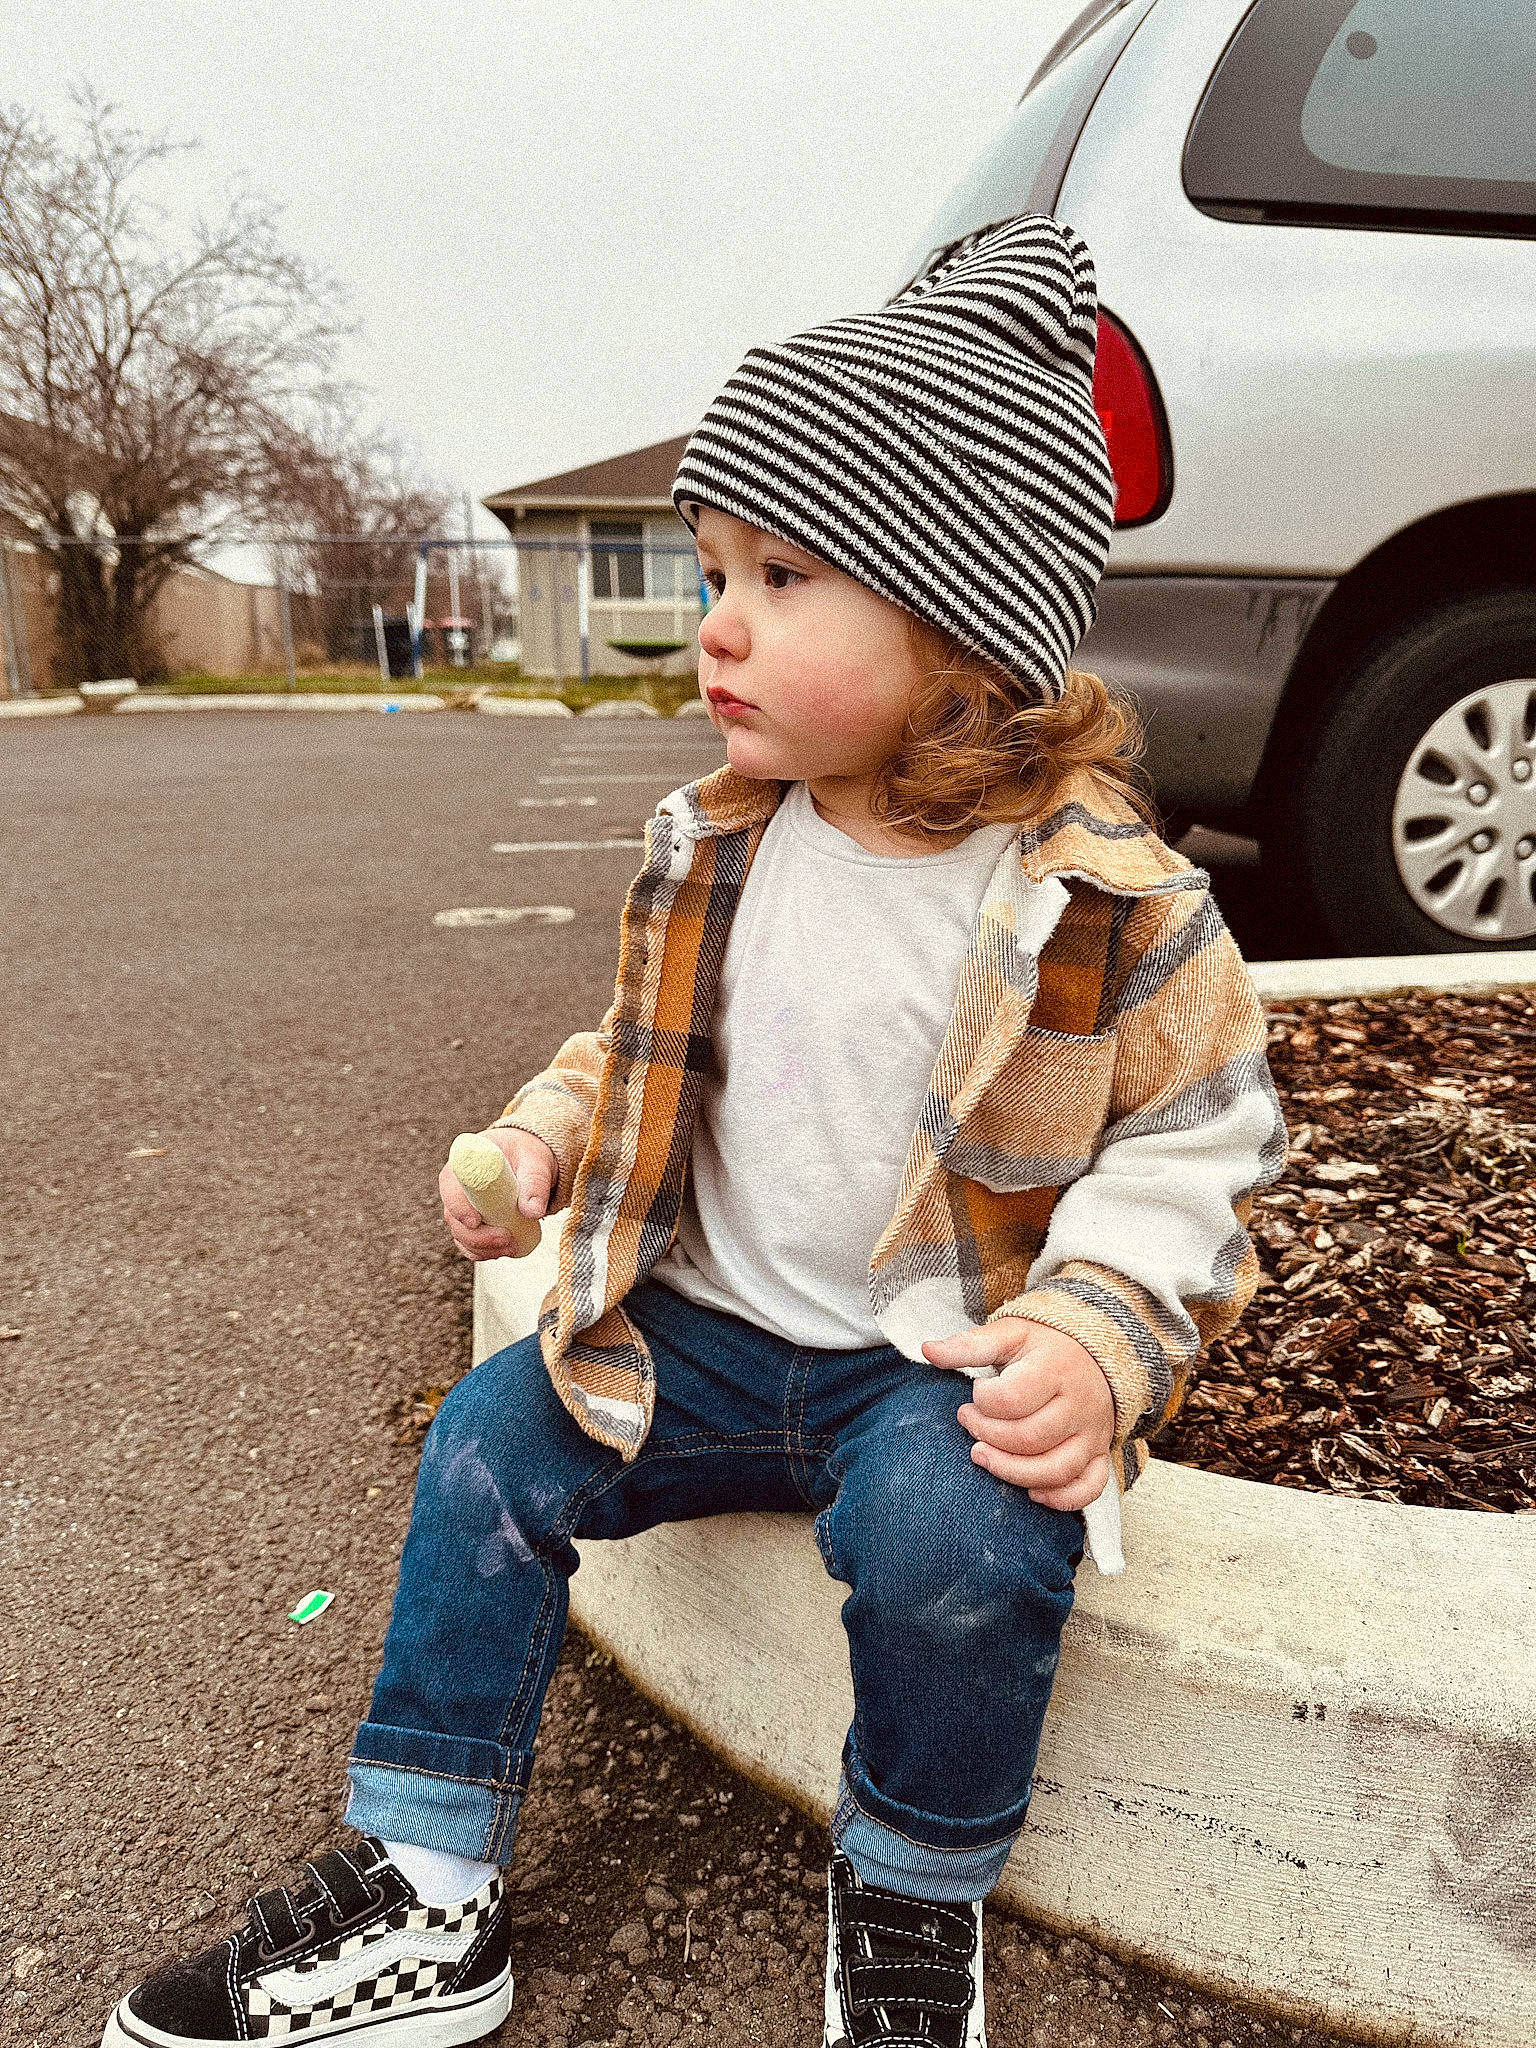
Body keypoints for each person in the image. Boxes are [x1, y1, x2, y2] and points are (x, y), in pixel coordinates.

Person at [102, 213, 1286, 2048]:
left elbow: (1201, 1139)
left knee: (958, 1553)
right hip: (713, 1338)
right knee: (493, 1448)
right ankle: (427, 1890)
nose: (718, 622)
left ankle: (909, 1903)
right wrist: (550, 1138)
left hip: (932, 1368)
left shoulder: (1104, 896)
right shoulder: (724, 840)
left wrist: (1091, 1329)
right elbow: (641, 1049)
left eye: (788, 575)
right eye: (714, 563)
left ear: (967, 627)